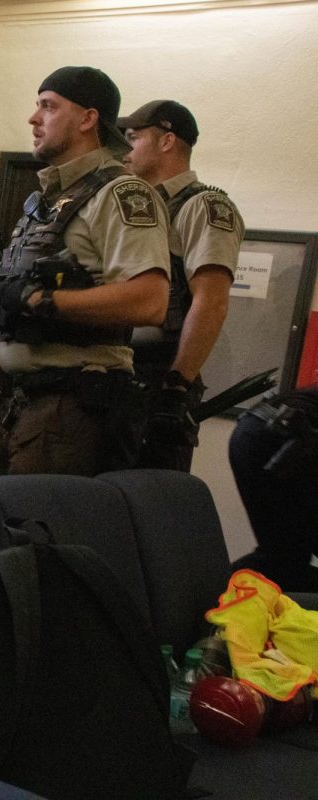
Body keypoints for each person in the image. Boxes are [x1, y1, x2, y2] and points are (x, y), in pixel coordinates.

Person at [0, 66, 170, 477]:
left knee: (40, 534)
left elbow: (150, 300)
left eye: (48, 106)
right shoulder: (45, 202)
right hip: (19, 405)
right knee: (5, 532)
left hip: (69, 409)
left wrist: (42, 300)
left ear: (88, 119)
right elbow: (12, 307)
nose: (34, 118)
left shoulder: (122, 194)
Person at [117, 100, 245, 471]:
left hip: (159, 376)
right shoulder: (140, 207)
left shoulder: (203, 206)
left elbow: (211, 301)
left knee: (145, 504)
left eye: (134, 138)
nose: (126, 150)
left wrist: (176, 388)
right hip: (123, 373)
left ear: (167, 141)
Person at [228, 386, 318, 593]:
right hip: (284, 438)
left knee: (284, 557)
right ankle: (207, 602)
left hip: (257, 429)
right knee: (285, 558)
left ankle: (206, 600)